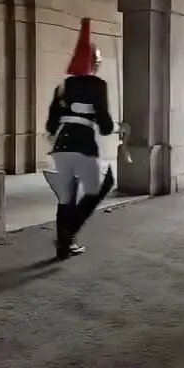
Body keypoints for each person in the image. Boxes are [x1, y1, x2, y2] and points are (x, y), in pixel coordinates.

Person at [43, 18, 116, 260]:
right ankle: (69, 231)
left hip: (62, 142)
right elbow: (105, 125)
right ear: (95, 62)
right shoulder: (98, 85)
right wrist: (110, 126)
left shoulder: (62, 87)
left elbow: (51, 124)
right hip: (84, 143)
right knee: (103, 184)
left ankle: (64, 245)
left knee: (66, 193)